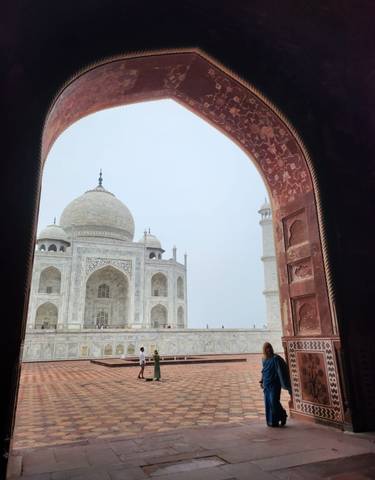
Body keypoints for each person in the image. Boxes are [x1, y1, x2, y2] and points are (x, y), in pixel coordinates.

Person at [260, 342, 292, 427]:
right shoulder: (264, 359)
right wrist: (261, 381)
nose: (268, 349)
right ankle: (273, 421)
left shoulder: (276, 358)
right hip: (267, 384)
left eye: (269, 347)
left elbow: (283, 369)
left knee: (274, 402)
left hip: (275, 384)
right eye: (267, 348)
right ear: (264, 350)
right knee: (269, 403)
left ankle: (283, 415)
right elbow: (264, 371)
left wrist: (285, 382)